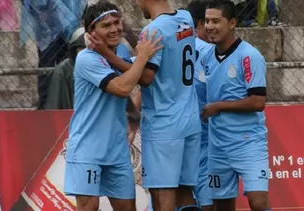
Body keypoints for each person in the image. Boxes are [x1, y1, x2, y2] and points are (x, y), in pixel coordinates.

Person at [87, 0, 202, 210]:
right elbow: (164, 55)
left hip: (164, 124)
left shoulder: (153, 29)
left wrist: (108, 55)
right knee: (185, 192)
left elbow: (147, 76)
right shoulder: (185, 18)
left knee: (162, 197)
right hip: (189, 118)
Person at [63, 1, 163, 211]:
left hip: (117, 150)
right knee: (89, 207)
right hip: (87, 149)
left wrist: (134, 42)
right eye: (106, 25)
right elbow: (122, 88)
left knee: (128, 208)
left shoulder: (122, 54)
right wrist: (142, 55)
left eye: (117, 23)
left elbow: (144, 71)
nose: (114, 29)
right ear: (92, 32)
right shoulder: (86, 58)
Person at [201, 1, 270, 210]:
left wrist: (219, 106)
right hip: (218, 145)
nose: (210, 26)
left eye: (215, 21)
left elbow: (258, 102)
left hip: (248, 143)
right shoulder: (206, 57)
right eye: (206, 21)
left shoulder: (249, 56)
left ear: (232, 23)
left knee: (258, 203)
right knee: (221, 206)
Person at [187, 1, 214, 211]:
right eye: (210, 22)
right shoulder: (212, 52)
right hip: (204, 137)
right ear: (200, 23)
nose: (214, 28)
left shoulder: (173, 46)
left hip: (180, 134)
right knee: (207, 200)